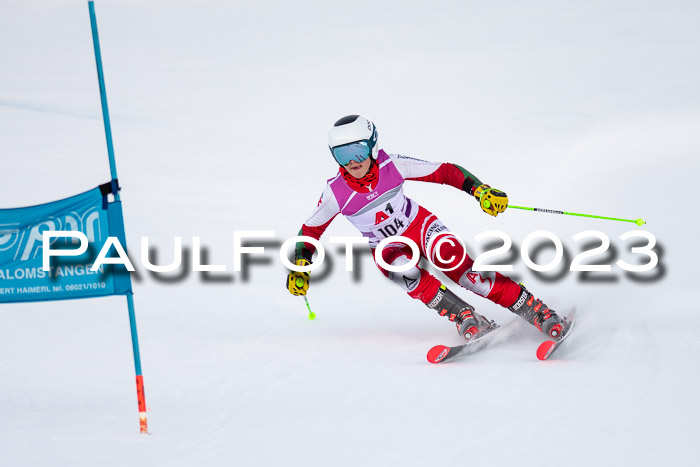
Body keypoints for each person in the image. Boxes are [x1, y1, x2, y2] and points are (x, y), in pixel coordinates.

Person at [286, 115, 564, 340]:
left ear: (371, 146)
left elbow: (445, 172)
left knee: (461, 268)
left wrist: (480, 191)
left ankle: (536, 311)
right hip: (387, 247)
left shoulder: (391, 165)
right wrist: (300, 266)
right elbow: (310, 230)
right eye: (342, 154)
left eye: (357, 150)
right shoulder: (335, 192)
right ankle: (464, 315)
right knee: (405, 272)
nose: (352, 162)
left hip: (419, 225)